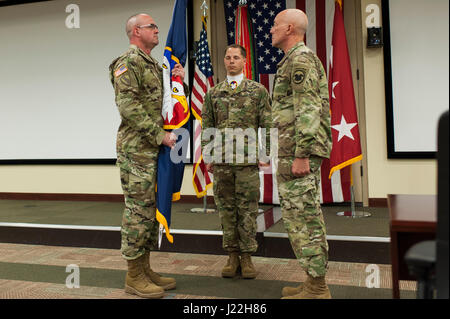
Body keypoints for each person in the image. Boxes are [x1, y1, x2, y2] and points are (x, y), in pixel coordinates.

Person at [109, 13, 185, 299]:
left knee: (150, 211)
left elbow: (164, 105)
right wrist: (159, 136)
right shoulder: (127, 63)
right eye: (151, 26)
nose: (157, 30)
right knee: (138, 211)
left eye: (156, 26)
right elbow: (128, 107)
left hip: (154, 151)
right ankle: (133, 274)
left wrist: (178, 82)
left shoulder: (155, 65)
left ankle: (145, 268)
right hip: (137, 151)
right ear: (135, 32)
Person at [270, 9, 333, 299]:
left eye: (275, 25)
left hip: (299, 151)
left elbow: (308, 109)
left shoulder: (301, 59)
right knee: (298, 215)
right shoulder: (292, 60)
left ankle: (317, 288)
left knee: (304, 217)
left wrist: (302, 154)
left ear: (290, 29)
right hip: (290, 149)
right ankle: (312, 281)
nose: (271, 29)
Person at [201, 44, 272, 279]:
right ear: (224, 61)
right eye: (228, 57)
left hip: (247, 162)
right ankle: (232, 255)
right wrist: (208, 156)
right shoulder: (213, 93)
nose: (231, 61)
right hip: (221, 162)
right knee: (226, 210)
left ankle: (247, 256)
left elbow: (267, 125)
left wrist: (266, 153)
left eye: (236, 57)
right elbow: (208, 125)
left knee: (248, 209)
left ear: (244, 61)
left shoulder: (258, 91)